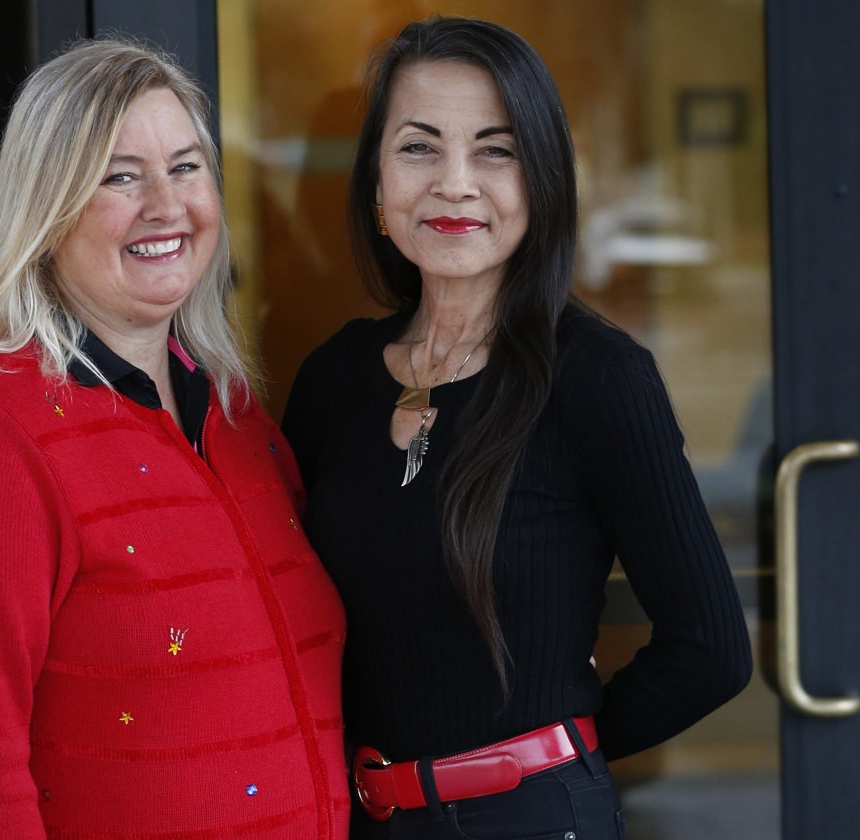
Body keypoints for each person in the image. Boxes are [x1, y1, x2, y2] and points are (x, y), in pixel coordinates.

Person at [282, 16, 752, 840]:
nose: (455, 183)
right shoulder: (333, 381)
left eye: (495, 150)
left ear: (541, 180)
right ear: (376, 186)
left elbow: (710, 649)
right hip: (357, 818)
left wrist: (563, 757)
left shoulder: (597, 379)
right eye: (418, 147)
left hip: (531, 819)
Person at [0, 38, 349, 839]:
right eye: (120, 176)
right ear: (46, 207)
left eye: (187, 168)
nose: (166, 204)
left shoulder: (238, 422)